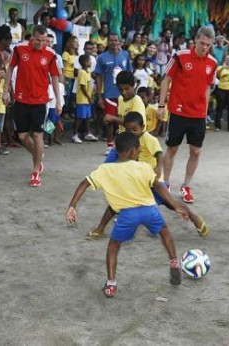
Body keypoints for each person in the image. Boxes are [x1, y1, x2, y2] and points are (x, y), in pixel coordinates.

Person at [66, 131, 188, 298]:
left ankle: (111, 285)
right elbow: (159, 187)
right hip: (149, 210)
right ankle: (174, 261)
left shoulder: (105, 170)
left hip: (127, 215)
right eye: (137, 151)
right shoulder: (143, 167)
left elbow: (84, 183)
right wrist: (175, 206)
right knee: (165, 232)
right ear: (132, 152)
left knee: (114, 246)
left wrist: (72, 206)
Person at [86, 112, 208, 240]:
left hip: (153, 179)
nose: (131, 132)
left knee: (171, 203)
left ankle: (195, 218)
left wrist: (159, 168)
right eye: (128, 130)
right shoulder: (128, 141)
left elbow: (159, 154)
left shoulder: (149, 139)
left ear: (143, 127)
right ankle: (100, 229)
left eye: (135, 129)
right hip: (138, 179)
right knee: (115, 202)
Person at [157, 25, 217, 203]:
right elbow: (166, 79)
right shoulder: (180, 56)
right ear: (196, 40)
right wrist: (161, 105)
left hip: (198, 114)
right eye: (202, 43)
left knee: (196, 151)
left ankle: (186, 186)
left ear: (212, 43)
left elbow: (207, 86)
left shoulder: (213, 62)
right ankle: (165, 183)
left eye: (208, 44)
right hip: (178, 111)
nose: (204, 47)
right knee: (172, 148)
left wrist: (205, 110)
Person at [3, 25, 62, 187]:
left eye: (44, 41)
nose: (41, 43)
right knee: (22, 136)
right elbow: (10, 69)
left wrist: (58, 100)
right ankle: (38, 155)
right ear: (32, 37)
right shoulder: (20, 49)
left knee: (37, 135)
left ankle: (36, 171)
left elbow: (55, 78)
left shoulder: (50, 54)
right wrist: (6, 91)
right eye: (38, 40)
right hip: (21, 99)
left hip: (40, 100)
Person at [94, 32, 132, 154]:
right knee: (109, 121)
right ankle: (110, 145)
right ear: (108, 42)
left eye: (116, 40)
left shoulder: (125, 55)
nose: (114, 43)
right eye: (111, 40)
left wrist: (132, 92)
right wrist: (99, 96)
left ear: (119, 41)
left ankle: (123, 145)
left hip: (124, 95)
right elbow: (98, 77)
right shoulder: (102, 57)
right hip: (109, 94)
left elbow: (129, 74)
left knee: (124, 120)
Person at [72, 54, 95, 143]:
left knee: (87, 117)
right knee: (79, 117)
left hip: (87, 99)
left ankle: (88, 133)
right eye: (89, 60)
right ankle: (75, 135)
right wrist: (89, 97)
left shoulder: (88, 71)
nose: (91, 62)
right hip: (82, 99)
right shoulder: (81, 72)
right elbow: (83, 87)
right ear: (85, 63)